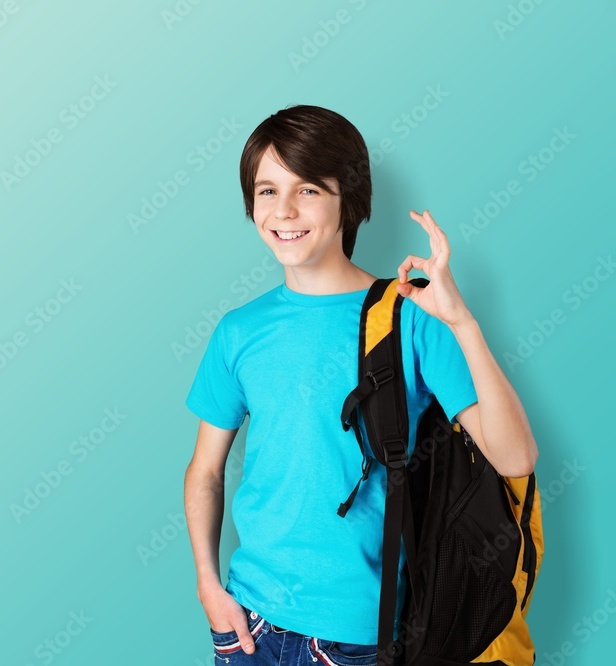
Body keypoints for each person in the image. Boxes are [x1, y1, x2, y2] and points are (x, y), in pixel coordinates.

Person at [182, 104, 538, 665]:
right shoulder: (238, 332)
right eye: (267, 190)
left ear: (349, 199)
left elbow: (515, 456)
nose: (284, 211)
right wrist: (208, 582)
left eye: (308, 190)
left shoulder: (409, 317)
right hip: (248, 624)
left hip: (359, 637)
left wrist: (462, 322)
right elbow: (205, 469)